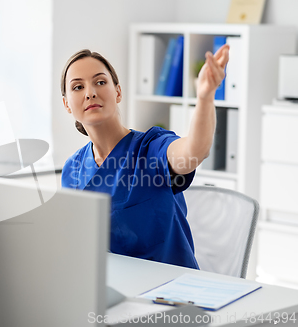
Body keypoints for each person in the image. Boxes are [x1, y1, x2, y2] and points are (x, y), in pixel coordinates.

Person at [60, 47, 229, 269]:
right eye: (78, 87)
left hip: (173, 291)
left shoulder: (150, 148)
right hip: (114, 292)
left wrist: (205, 97)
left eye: (100, 82)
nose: (90, 92)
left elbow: (194, 152)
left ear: (118, 92)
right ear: (67, 105)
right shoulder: (73, 170)